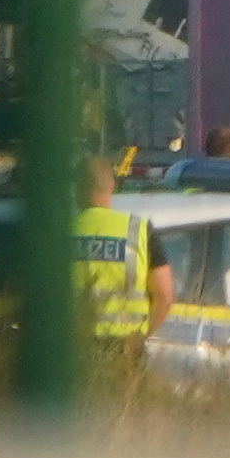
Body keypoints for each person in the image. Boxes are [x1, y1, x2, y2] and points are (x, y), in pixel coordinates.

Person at [67, 149, 163, 358]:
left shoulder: (62, 233)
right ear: (111, 186)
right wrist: (141, 337)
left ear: (77, 189)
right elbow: (164, 295)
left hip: (75, 348)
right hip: (126, 348)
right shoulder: (138, 229)